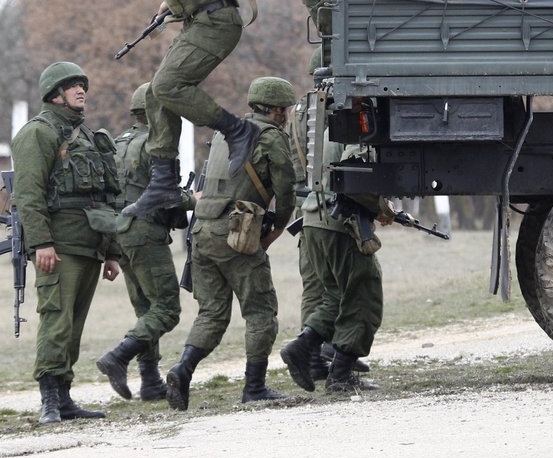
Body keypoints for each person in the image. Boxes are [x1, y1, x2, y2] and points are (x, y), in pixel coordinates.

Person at [111, 0, 259, 219]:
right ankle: (163, 183)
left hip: (217, 22)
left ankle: (238, 131)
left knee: (167, 85)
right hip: (197, 21)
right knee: (154, 93)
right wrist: (169, 4)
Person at [164, 77, 297, 411]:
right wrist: (276, 229)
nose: (287, 115)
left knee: (211, 313)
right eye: (287, 110)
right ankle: (254, 387)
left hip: (203, 230)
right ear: (278, 109)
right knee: (260, 310)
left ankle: (182, 370)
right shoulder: (271, 137)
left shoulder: (227, 132)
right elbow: (287, 190)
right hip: (237, 231)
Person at [11, 61, 122, 424]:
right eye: (72, 86)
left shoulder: (87, 136)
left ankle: (65, 397)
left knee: (74, 326)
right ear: (55, 94)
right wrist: (42, 242)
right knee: (56, 322)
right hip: (58, 247)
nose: (81, 91)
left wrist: (111, 251)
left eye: (82, 85)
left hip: (90, 244)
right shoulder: (38, 133)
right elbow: (28, 195)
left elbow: (105, 197)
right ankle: (50, 402)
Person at [279, 93, 389, 393]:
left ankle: (303, 346)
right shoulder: (356, 129)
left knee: (335, 296)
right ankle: (340, 376)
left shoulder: (326, 130)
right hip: (341, 222)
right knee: (365, 296)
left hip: (314, 221)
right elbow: (357, 176)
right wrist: (383, 210)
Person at [96, 83, 191, 401]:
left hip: (121, 234)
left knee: (147, 311)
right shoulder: (156, 143)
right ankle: (119, 357)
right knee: (166, 309)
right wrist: (195, 199)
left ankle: (150, 382)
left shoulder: (119, 144)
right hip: (146, 233)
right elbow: (167, 195)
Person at [285, 48, 371, 386]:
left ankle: (318, 357)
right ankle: (327, 354)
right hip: (334, 207)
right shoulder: (339, 106)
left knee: (317, 287)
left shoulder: (297, 112)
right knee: (346, 287)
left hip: (306, 208)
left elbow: (296, 164)